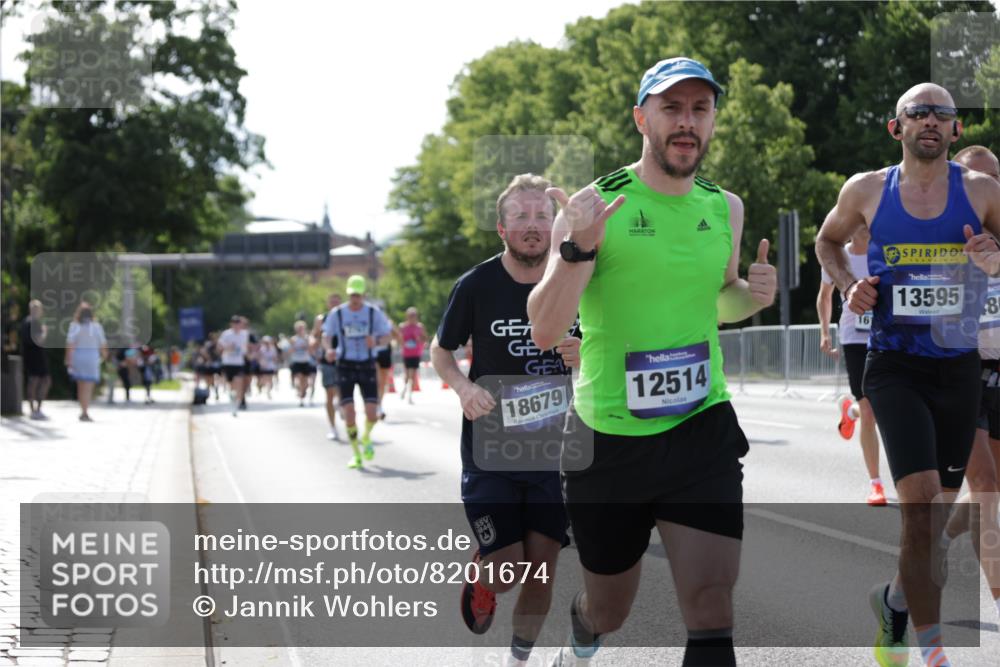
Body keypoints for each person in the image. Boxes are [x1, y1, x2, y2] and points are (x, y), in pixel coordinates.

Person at [528, 57, 777, 667]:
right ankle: (582, 630)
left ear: (713, 119)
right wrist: (574, 248)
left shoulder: (725, 207)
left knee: (713, 608)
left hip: (702, 427)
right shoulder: (595, 209)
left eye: (700, 109)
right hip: (610, 441)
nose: (687, 122)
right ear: (642, 117)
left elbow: (718, 299)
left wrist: (753, 295)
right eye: (672, 108)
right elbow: (544, 329)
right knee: (609, 610)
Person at [815, 84, 1000, 667]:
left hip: (957, 367)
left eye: (942, 114)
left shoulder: (983, 192)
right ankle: (932, 650)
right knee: (919, 507)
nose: (929, 120)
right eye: (916, 112)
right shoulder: (867, 190)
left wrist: (995, 260)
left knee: (935, 517)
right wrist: (850, 286)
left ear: (955, 131)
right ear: (895, 128)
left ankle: (894, 600)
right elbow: (826, 241)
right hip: (893, 366)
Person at [432, 173, 582, 667]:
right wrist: (464, 387)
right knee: (507, 570)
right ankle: (482, 577)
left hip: (554, 453)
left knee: (542, 571)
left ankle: (517, 660)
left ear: (555, 224)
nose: (533, 226)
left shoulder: (579, 281)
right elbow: (442, 350)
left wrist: (587, 353)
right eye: (521, 217)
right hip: (491, 450)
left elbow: (615, 344)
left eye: (542, 215)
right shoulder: (475, 285)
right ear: (502, 228)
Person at [940, 145, 1000, 621]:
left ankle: (941, 536)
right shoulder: (939, 238)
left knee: (993, 489)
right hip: (961, 372)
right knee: (985, 485)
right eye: (977, 179)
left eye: (994, 179)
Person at [816, 225, 887, 505]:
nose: (865, 225)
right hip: (854, 338)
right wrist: (824, 332)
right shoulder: (838, 255)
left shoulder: (883, 252)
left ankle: (850, 410)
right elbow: (825, 295)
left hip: (885, 335)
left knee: (880, 406)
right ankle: (876, 484)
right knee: (870, 410)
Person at [322, 275, 392, 469]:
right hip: (344, 364)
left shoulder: (373, 313)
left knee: (372, 414)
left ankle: (366, 436)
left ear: (364, 295)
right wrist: (328, 349)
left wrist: (377, 342)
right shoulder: (337, 313)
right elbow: (326, 335)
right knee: (350, 413)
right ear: (348, 293)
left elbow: (387, 336)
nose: (355, 298)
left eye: (358, 295)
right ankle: (356, 454)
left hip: (367, 363)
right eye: (352, 294)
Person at [65, 301, 109, 422]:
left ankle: (82, 410)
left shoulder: (74, 326)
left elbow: (70, 345)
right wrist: (105, 356)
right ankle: (86, 411)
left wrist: (68, 360)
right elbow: (103, 344)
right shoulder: (97, 326)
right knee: (88, 387)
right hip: (92, 358)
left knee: (80, 386)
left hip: (78, 358)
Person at [21, 299, 51, 420]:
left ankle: (33, 409)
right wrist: (44, 332)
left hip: (29, 355)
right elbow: (39, 340)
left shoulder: (26, 321)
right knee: (44, 381)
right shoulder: (35, 323)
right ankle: (36, 409)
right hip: (36, 356)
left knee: (33, 381)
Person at [318, 293, 342, 441]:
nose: (334, 305)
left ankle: (342, 405)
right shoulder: (322, 319)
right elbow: (317, 336)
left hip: (344, 360)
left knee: (342, 393)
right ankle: (333, 428)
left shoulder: (346, 316)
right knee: (329, 394)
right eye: (332, 302)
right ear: (328, 304)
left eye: (337, 303)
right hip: (328, 360)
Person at [218, 315, 249, 416]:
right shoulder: (226, 334)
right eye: (234, 323)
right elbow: (220, 347)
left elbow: (245, 347)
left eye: (238, 323)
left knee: (239, 382)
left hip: (239, 363)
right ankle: (233, 396)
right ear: (231, 324)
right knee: (231, 385)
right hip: (228, 363)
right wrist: (228, 348)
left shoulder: (244, 334)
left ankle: (237, 404)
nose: (236, 325)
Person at [399, 306, 427, 404]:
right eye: (410, 315)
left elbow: (425, 338)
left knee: (413, 375)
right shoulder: (402, 326)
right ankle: (404, 390)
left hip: (416, 353)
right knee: (407, 375)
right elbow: (399, 338)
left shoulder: (420, 326)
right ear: (407, 316)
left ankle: (410, 395)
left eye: (414, 315)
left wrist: (420, 340)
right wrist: (402, 343)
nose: (412, 317)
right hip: (406, 353)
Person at [373, 314, 397, 420]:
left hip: (385, 353)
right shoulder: (369, 322)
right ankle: (376, 406)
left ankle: (379, 405)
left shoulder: (388, 323)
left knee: (383, 383)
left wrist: (392, 330)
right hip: (373, 354)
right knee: (377, 381)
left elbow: (397, 336)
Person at [288, 320, 313, 407]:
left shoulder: (308, 338)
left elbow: (311, 350)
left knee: (305, 382)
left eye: (302, 328)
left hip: (305, 361)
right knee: (299, 378)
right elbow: (289, 351)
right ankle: (300, 395)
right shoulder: (293, 339)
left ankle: (303, 392)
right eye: (299, 328)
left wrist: (306, 345)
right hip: (296, 361)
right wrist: (294, 347)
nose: (300, 330)